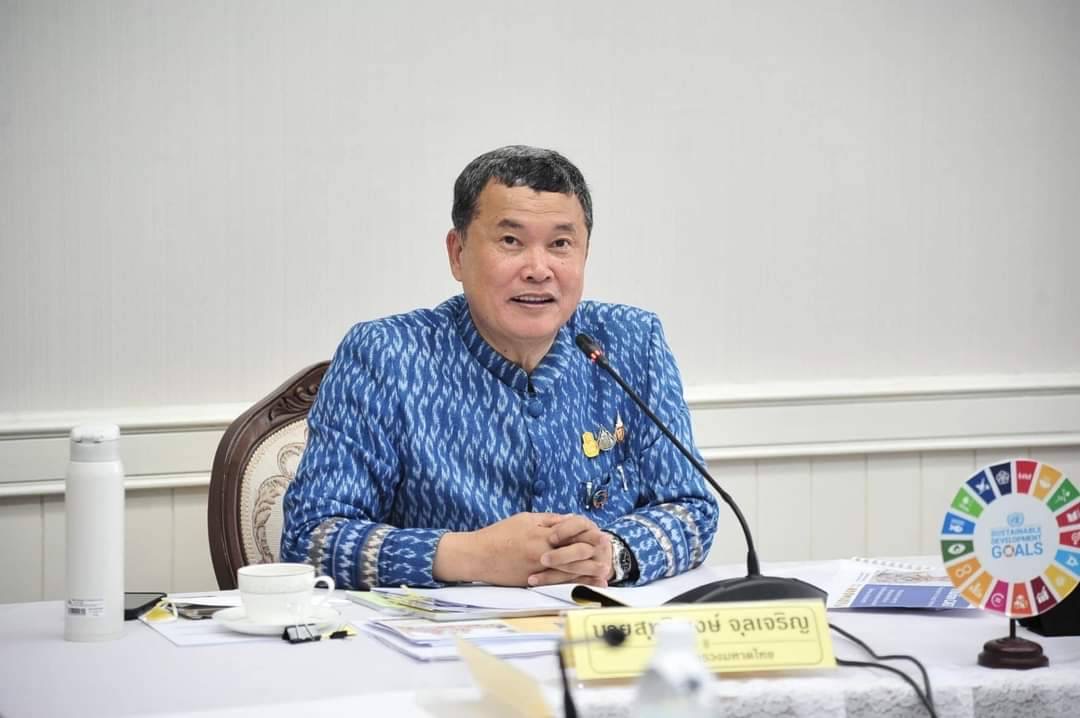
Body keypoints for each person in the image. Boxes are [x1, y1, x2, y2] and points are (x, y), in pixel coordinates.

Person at [280, 145, 718, 589]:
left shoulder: (631, 343)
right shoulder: (386, 356)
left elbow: (692, 509)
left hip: (593, 624)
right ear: (458, 253)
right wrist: (470, 556)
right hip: (445, 631)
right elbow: (309, 540)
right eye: (511, 241)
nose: (538, 269)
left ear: (584, 254)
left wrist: (611, 554)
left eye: (560, 244)